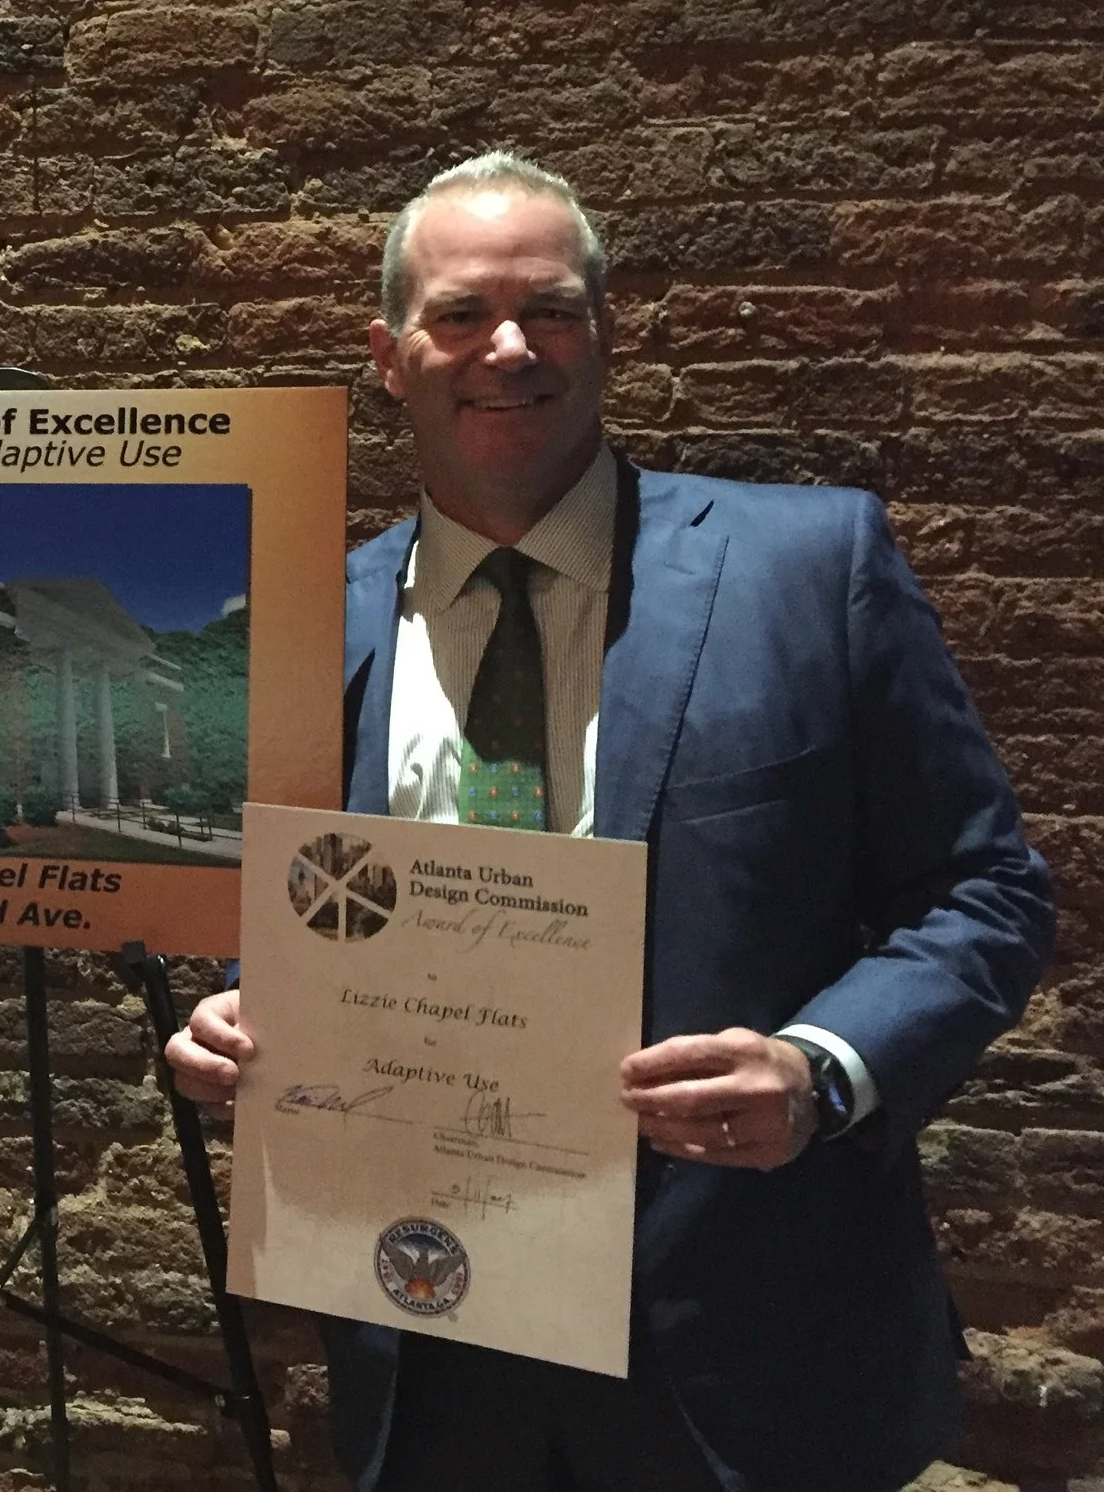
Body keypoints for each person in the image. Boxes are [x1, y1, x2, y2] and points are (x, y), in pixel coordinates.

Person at [166, 152, 1053, 1492]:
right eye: (460, 314)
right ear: (390, 356)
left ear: (606, 332)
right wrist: (234, 1013)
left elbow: (990, 892)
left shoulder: (811, 571)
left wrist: (823, 1065)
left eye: (554, 309)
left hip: (746, 1341)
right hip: (426, 1331)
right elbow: (305, 909)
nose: (510, 347)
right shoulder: (304, 626)